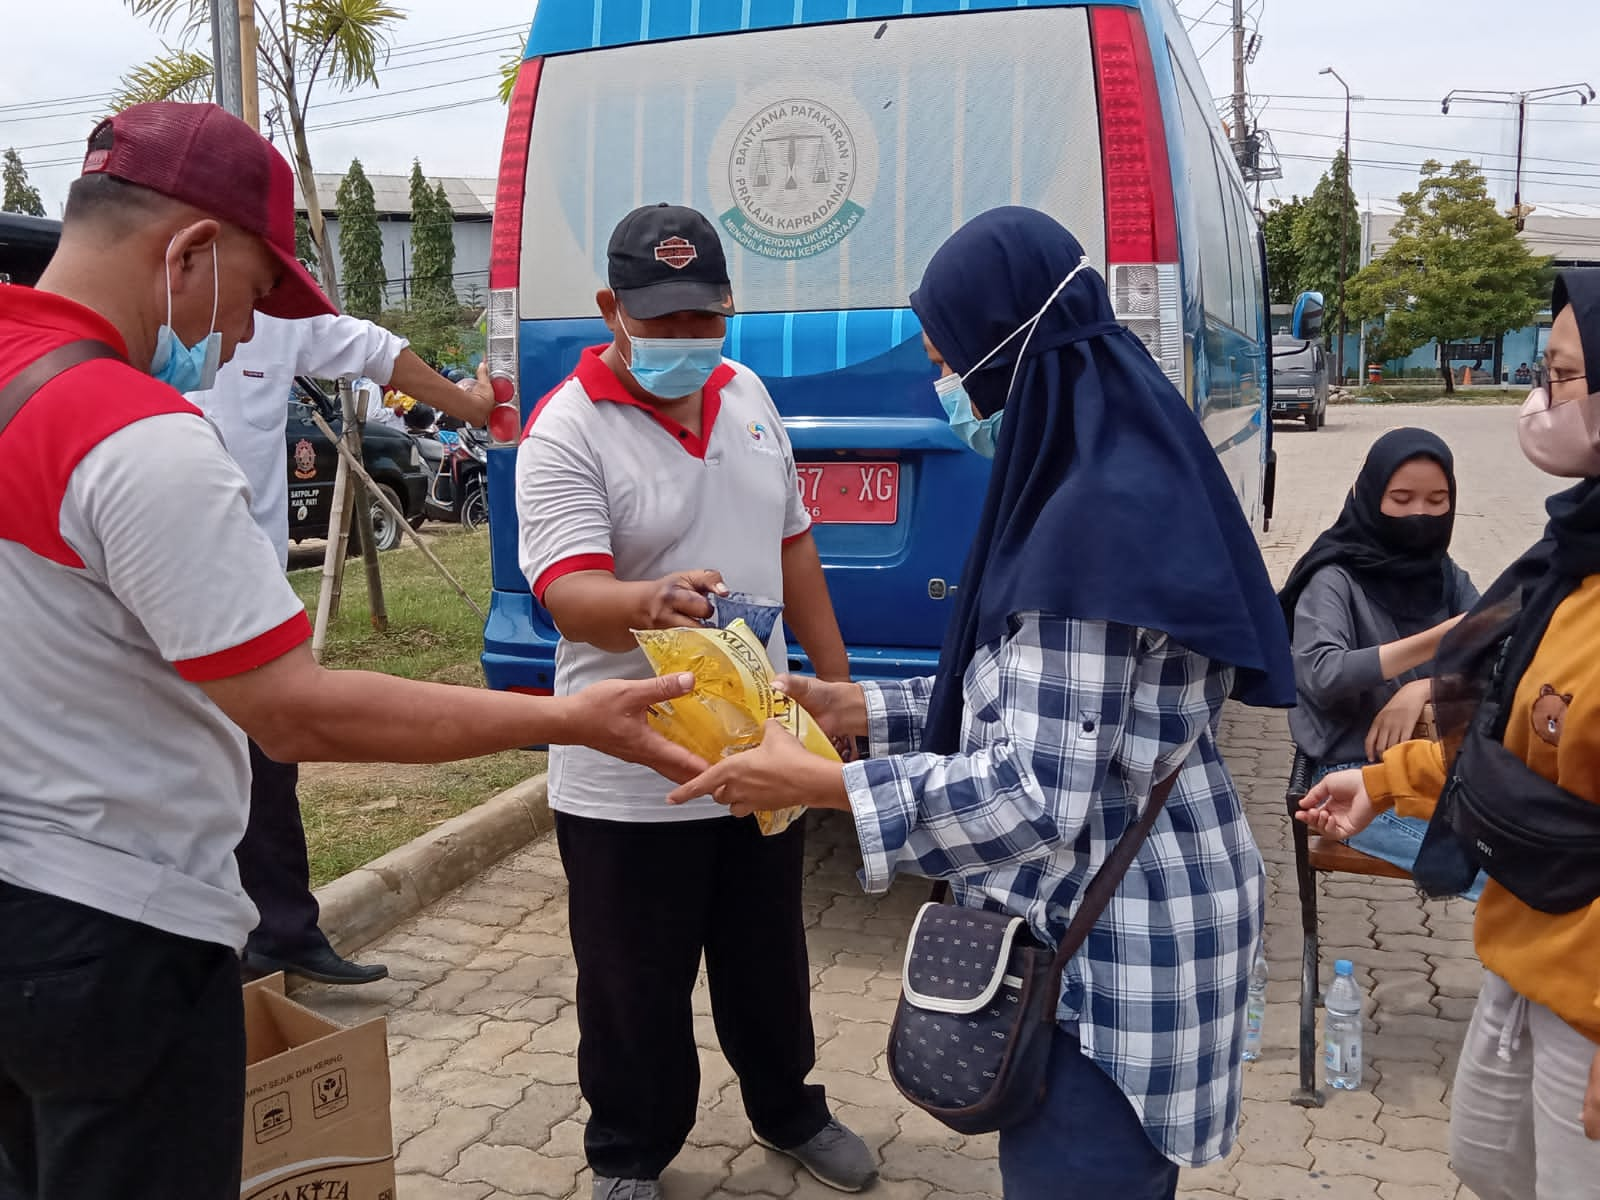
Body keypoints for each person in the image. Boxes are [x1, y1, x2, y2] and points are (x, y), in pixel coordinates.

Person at [0, 102, 705, 1200]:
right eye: (251, 292)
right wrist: (569, 717)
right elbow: (298, 713)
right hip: (117, 938)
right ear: (189, 251)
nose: (241, 334)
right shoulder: (132, 436)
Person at [666, 207, 1297, 1200]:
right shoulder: (1108, 469)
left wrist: (833, 786)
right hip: (1138, 918)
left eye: (945, 360)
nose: (942, 389)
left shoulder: (1091, 527)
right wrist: (856, 708)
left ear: (1007, 352)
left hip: (1109, 974)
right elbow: (1028, 702)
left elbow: (1034, 797)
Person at [516, 203, 875, 1200]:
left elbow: (794, 545)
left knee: (767, 954)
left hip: (760, 748)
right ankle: (629, 1150)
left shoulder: (747, 393)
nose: (682, 340)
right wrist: (644, 600)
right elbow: (568, 598)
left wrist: (835, 693)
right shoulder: (567, 429)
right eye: (658, 320)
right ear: (610, 309)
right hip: (631, 771)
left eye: (699, 318)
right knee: (633, 983)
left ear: (726, 305)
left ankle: (789, 1108)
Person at [1301, 268, 1600, 1200]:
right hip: (1520, 932)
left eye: (1559, 375)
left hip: (1584, 980)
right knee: (1484, 1160)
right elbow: (1502, 733)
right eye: (1545, 373)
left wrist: (1433, 674)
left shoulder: (1502, 578)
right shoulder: (1564, 560)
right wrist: (1387, 777)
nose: (1540, 399)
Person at [189, 315, 494, 987]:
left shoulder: (271, 311)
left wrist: (471, 405)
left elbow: (376, 351)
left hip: (251, 598)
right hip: (151, 606)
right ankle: (202, 964)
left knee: (270, 765)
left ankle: (283, 934)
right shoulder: (125, 329)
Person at [1276, 428, 1482, 888]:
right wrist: (1438, 640)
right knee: (1506, 872)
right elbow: (1322, 674)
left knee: (1547, 847)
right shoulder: (1333, 577)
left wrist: (1423, 687)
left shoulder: (1445, 575)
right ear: (1369, 496)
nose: (1420, 514)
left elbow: (1500, 651)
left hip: (1437, 767)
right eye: (1402, 497)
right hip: (1349, 777)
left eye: (1437, 499)